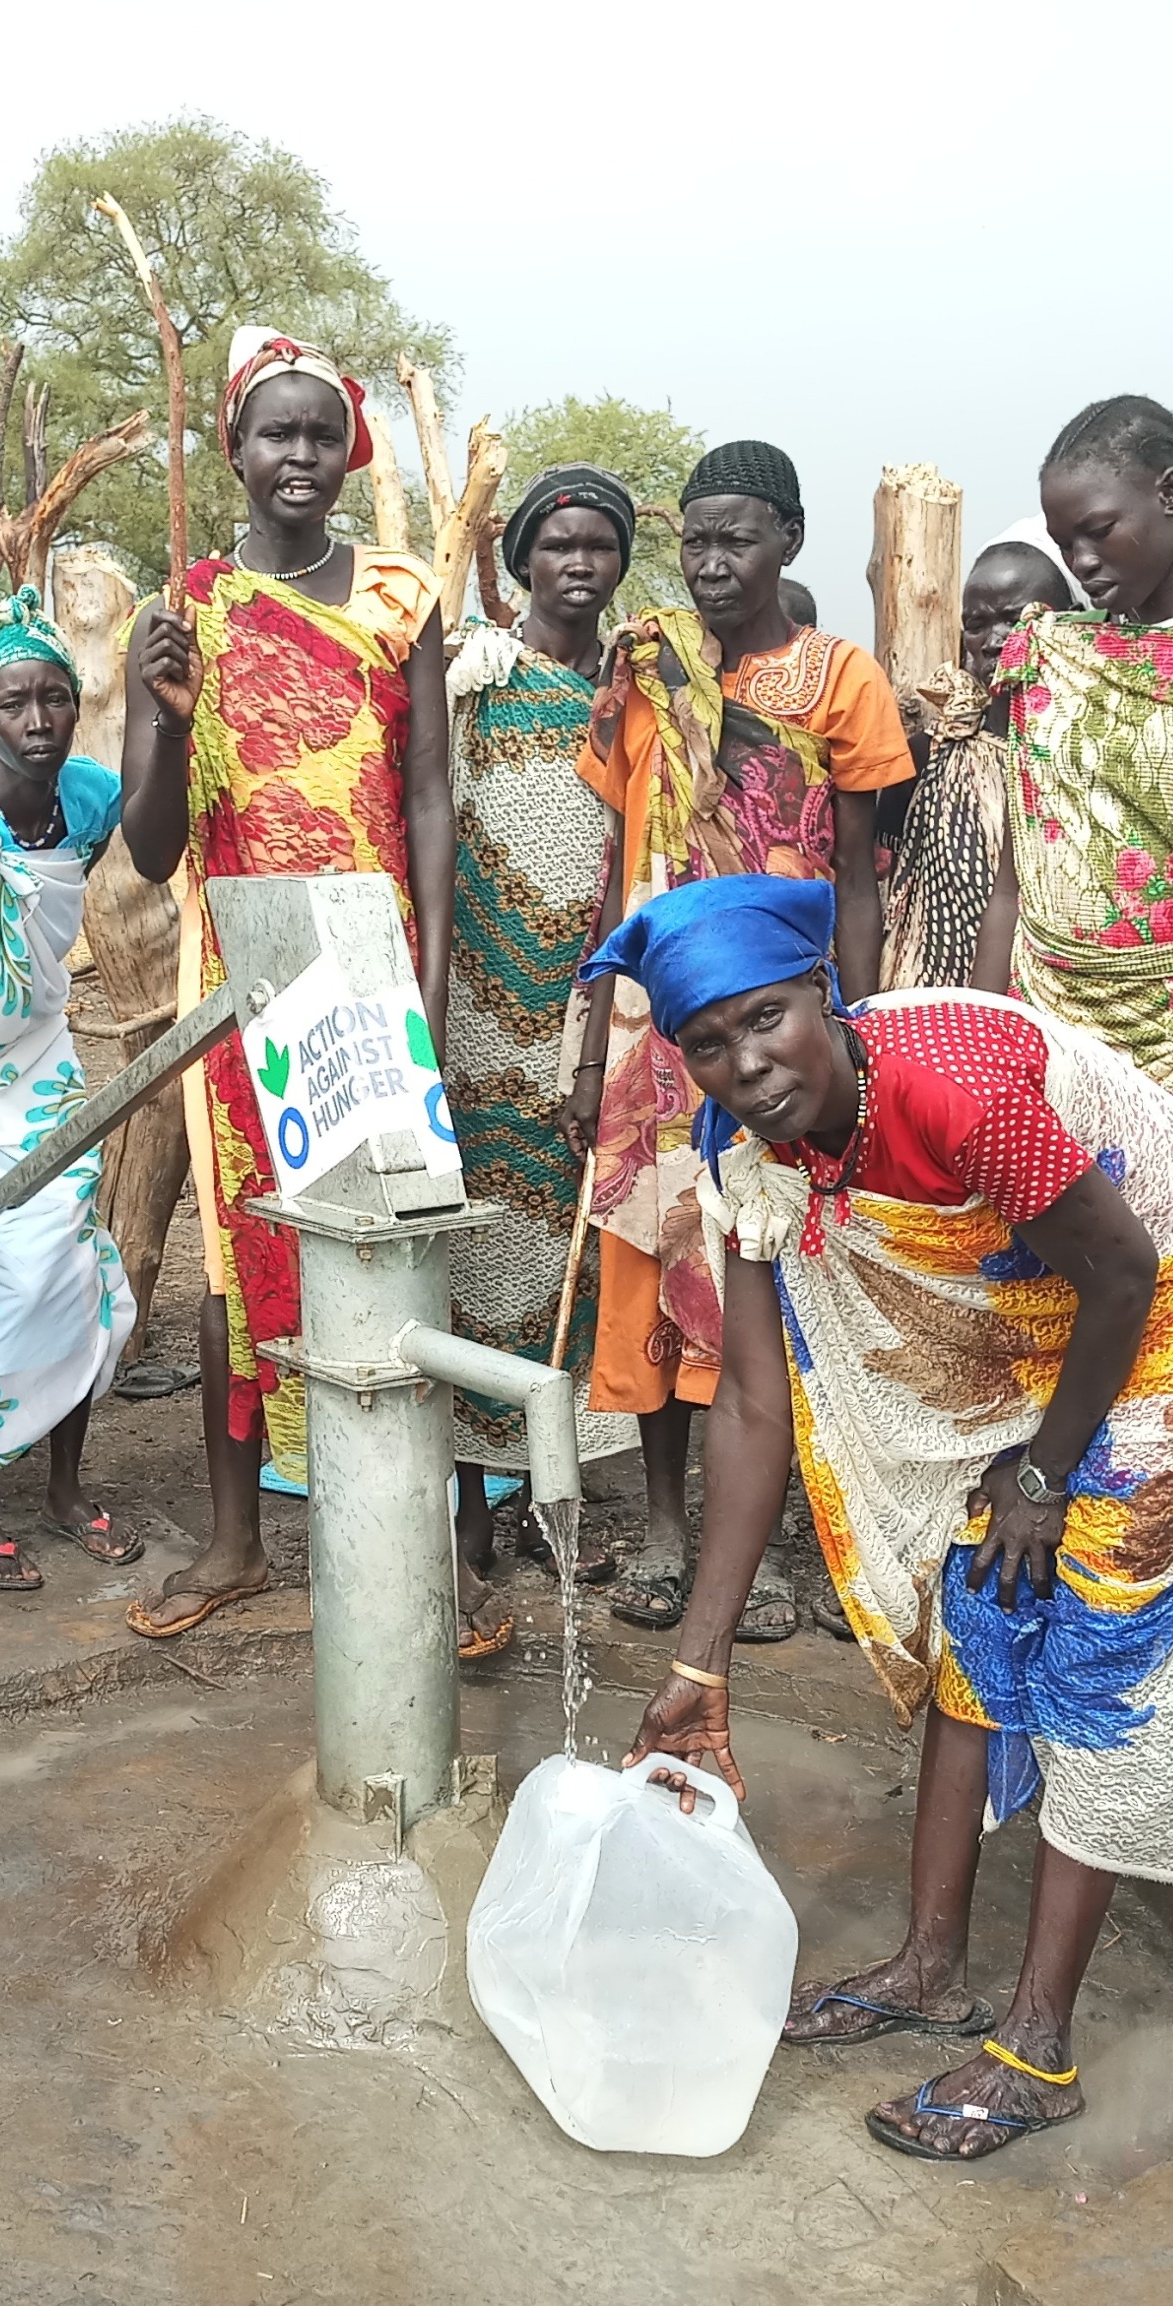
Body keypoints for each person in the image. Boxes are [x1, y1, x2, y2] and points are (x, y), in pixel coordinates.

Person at [590, 871, 1173, 2160]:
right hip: (1041, 1317)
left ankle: (1036, 2044)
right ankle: (929, 1967)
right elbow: (751, 1404)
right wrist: (696, 1662)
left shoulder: (952, 1088)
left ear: (825, 995)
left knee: (1092, 1624)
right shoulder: (743, 1147)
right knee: (979, 1593)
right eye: (705, 1045)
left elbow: (1127, 1267)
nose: (745, 1067)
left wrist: (1044, 1474)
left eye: (765, 1020)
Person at [120, 328, 486, 1641]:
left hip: (375, 973)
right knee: (236, 1251)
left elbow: (431, 801)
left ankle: (440, 1553)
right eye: (275, 433)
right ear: (234, 446)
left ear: (352, 452)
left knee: (390, 1250)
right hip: (244, 979)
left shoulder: (398, 597)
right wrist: (161, 708)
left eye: (321, 434)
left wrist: (429, 990)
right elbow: (155, 841)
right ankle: (235, 1543)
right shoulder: (195, 606)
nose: (298, 455)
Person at [565, 440, 912, 1638]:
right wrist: (586, 1042)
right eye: (694, 541)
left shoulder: (838, 679)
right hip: (656, 1027)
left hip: (782, 1031)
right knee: (654, 1268)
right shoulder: (646, 671)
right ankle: (664, 1526)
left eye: (737, 540)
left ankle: (758, 1543)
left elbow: (859, 878)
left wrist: (858, 1038)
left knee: (773, 1271)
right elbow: (619, 868)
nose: (711, 564)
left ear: (788, 542)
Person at [974, 396, 1173, 1211]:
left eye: (1096, 530)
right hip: (1063, 1034)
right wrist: (980, 1038)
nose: (1077, 560)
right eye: (1062, 541)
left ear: (1171, 490)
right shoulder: (1055, 658)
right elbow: (1017, 874)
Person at [445, 467, 639, 1606]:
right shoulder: (477, 674)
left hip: (588, 1005)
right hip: (476, 1008)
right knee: (474, 1257)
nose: (578, 563)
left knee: (575, 1261)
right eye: (557, 545)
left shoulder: (634, 689)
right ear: (521, 562)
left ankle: (556, 1502)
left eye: (598, 546)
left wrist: (599, 1033)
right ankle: (472, 1507)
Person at [0, 589, 139, 1589]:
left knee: (86, 1280)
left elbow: (158, 819)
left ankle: (63, 1487)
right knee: (12, 1284)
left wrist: (167, 716)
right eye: (15, 703)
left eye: (56, 697)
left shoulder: (84, 799)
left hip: (46, 1066)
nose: (40, 719)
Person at [880, 544, 1072, 992]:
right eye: (977, 624)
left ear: (1073, 617)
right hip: (944, 1012)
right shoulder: (928, 756)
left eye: (1016, 618)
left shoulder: (1099, 752)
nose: (994, 640)